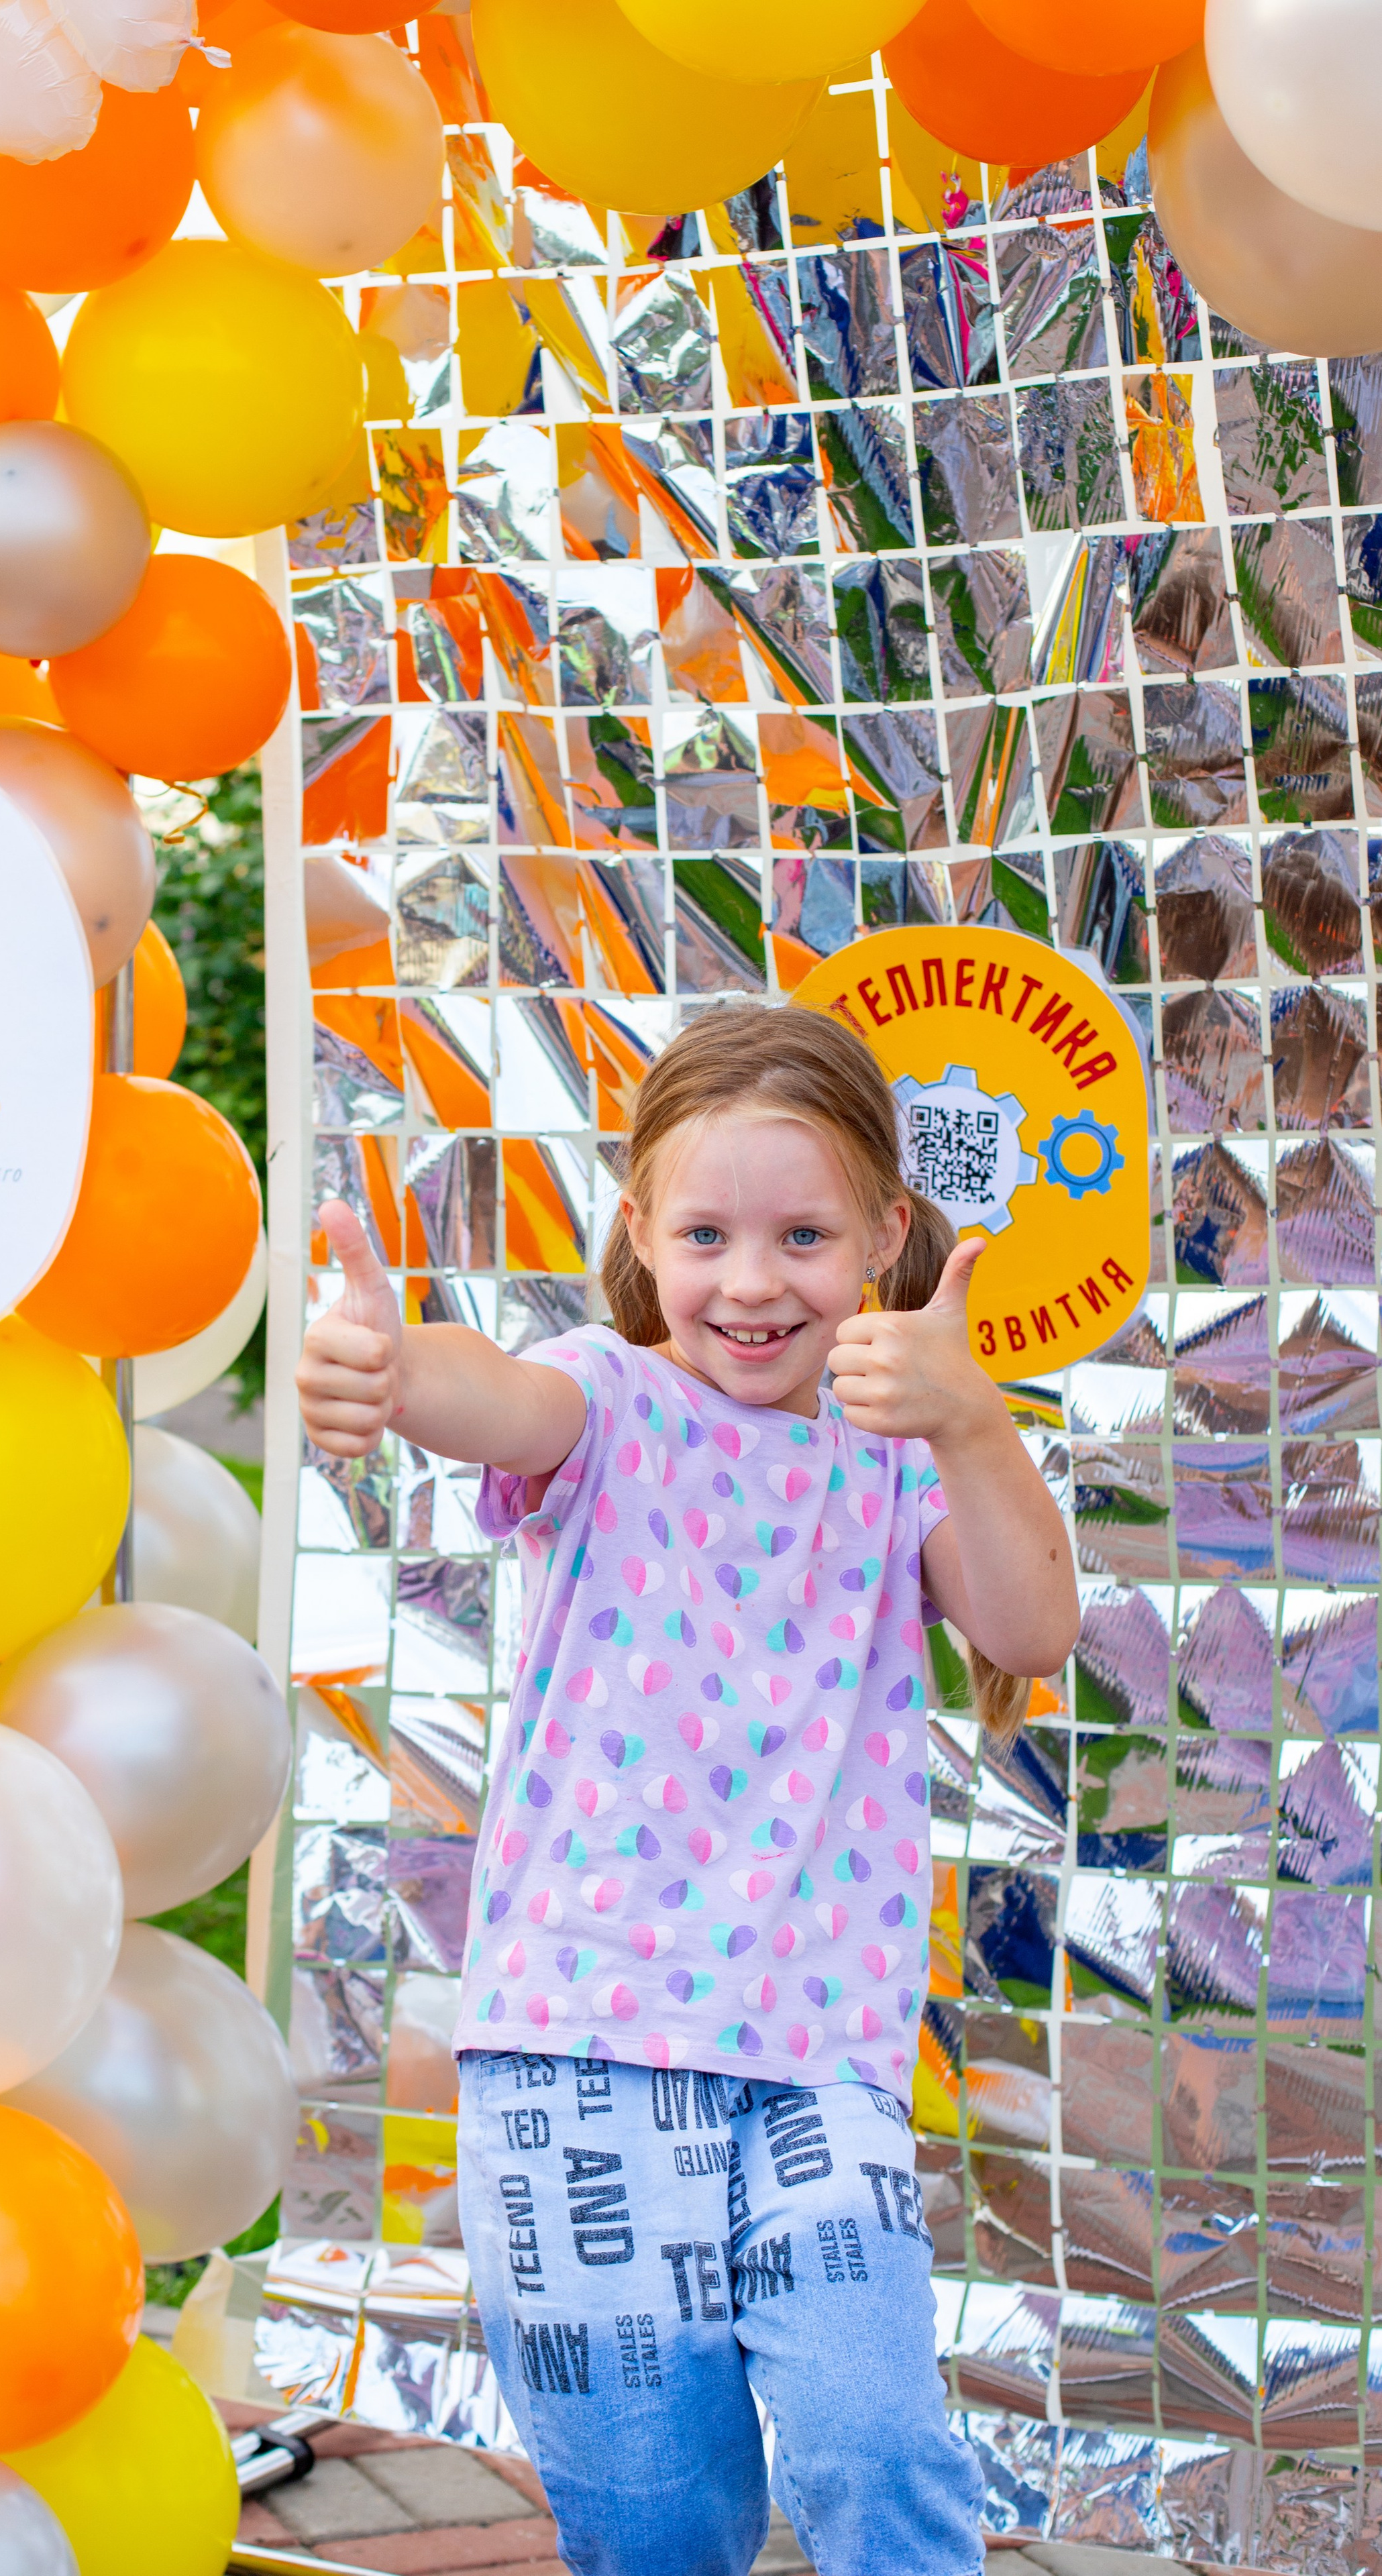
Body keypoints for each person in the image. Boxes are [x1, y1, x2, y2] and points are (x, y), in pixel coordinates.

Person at [297, 1001, 1080, 2576]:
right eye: (705, 1232)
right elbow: (490, 1391)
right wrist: (386, 1367)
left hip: (814, 2057)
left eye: (800, 1234)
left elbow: (1028, 1627)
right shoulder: (606, 1401)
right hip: (575, 2052)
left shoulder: (897, 1459)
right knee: (654, 2515)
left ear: (881, 1237)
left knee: (875, 2445)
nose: (748, 1279)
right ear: (639, 1230)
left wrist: (976, 1420)